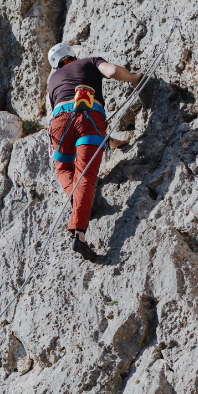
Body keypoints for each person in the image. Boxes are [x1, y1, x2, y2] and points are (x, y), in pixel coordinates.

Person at [45, 42, 143, 259]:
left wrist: (114, 143)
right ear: (72, 54)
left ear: (55, 64)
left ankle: (80, 201)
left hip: (59, 125)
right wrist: (134, 78)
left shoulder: (52, 81)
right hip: (89, 116)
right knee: (85, 175)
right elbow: (113, 71)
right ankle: (79, 234)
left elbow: (66, 117)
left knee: (63, 169)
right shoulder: (89, 62)